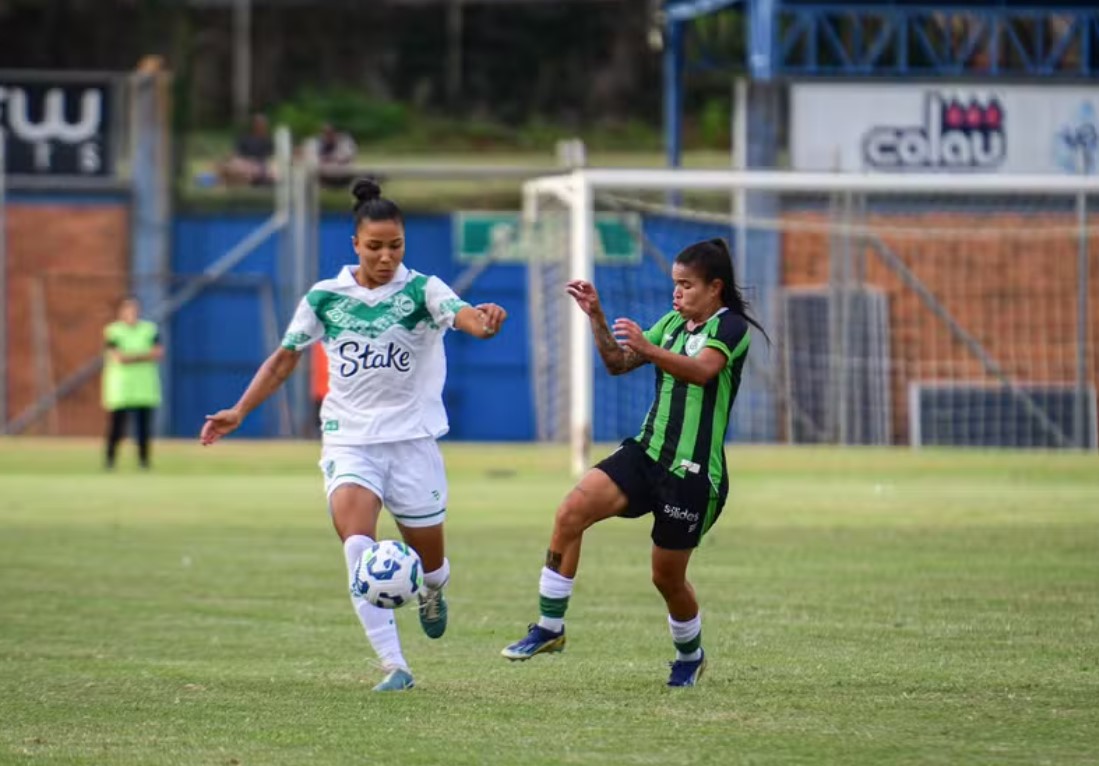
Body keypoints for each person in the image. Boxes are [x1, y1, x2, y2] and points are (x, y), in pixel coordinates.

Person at [200, 178, 507, 692]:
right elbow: (284, 359)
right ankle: (394, 666)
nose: (386, 257)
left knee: (431, 565)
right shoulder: (325, 297)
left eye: (396, 246)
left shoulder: (423, 290)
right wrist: (239, 410)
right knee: (357, 548)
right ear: (355, 245)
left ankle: (432, 590)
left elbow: (467, 319)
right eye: (375, 247)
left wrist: (487, 321)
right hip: (349, 441)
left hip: (411, 442)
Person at [500, 238, 766, 687]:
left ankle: (690, 655)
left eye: (687, 285)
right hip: (646, 453)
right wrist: (597, 317)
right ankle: (549, 627)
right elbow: (618, 363)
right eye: (675, 284)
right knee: (570, 512)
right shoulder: (672, 323)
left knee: (667, 579)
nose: (677, 293)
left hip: (691, 475)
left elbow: (703, 371)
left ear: (715, 287)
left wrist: (648, 347)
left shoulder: (731, 328)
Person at [102, 296, 164, 470]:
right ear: (121, 311)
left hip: (144, 387)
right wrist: (143, 355)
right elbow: (117, 357)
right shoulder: (113, 331)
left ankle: (144, 462)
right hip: (121, 388)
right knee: (116, 427)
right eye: (128, 309)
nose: (131, 312)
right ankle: (110, 461)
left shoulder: (149, 329)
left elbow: (158, 353)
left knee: (144, 428)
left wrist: (130, 356)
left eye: (134, 309)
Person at [220, 114, 275, 187]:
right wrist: (229, 158)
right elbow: (236, 152)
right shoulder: (245, 138)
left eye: (262, 124)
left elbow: (271, 157)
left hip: (260, 165)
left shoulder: (268, 140)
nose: (260, 126)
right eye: (258, 124)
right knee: (230, 166)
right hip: (245, 162)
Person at [316, 122, 358, 189]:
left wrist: (330, 158)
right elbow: (317, 157)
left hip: (343, 172)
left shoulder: (345, 141)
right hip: (325, 173)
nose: (327, 136)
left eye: (330, 133)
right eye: (325, 133)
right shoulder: (320, 142)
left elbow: (347, 156)